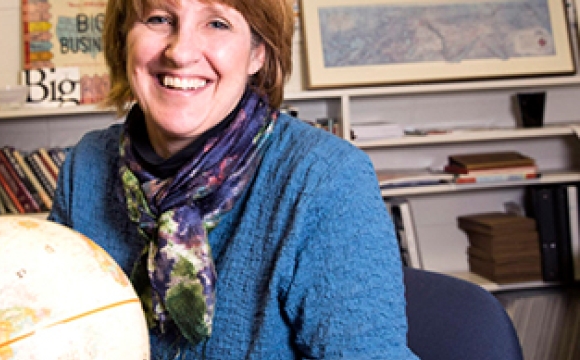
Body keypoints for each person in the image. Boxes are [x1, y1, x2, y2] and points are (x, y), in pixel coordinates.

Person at [48, 0, 419, 358]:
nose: (180, 52)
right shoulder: (86, 165)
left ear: (258, 53)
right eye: (160, 19)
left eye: (217, 23)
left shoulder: (326, 180)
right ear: (123, 37)